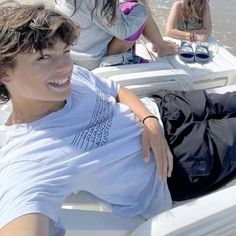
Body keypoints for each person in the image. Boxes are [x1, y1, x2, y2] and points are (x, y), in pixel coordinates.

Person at [0, 3, 236, 236]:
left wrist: (149, 120)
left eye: (66, 52)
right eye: (44, 57)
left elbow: (117, 90)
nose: (65, 67)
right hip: (177, 162)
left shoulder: (74, 77)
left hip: (161, 107)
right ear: (4, 72)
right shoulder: (30, 158)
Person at [54, 0, 178, 70]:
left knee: (128, 7)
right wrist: (143, 8)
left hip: (73, 56)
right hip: (95, 60)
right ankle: (162, 47)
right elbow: (123, 32)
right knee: (136, 9)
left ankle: (160, 45)